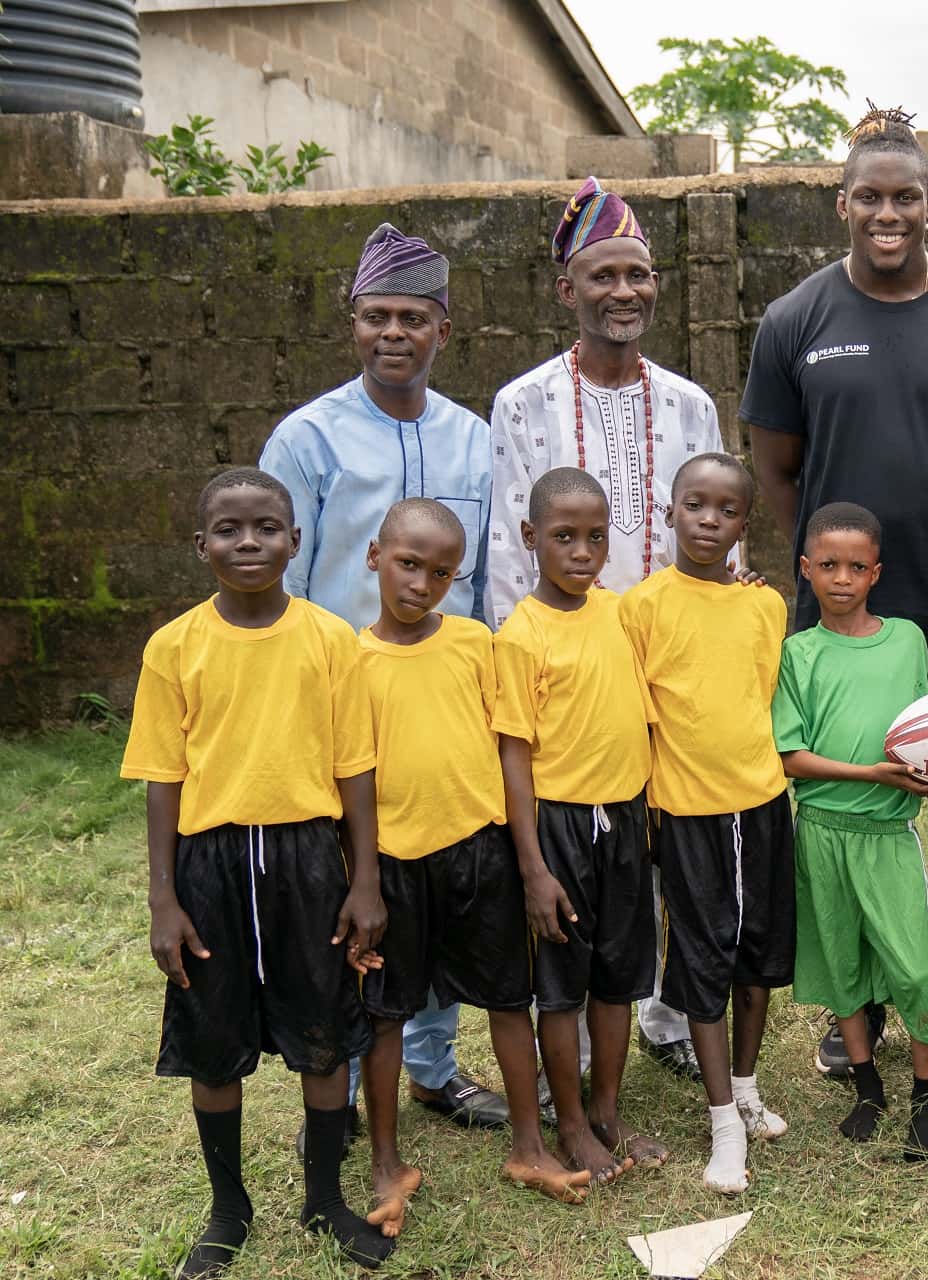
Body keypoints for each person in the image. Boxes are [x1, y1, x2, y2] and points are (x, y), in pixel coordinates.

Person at [744, 105, 928, 1076]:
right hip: (846, 622)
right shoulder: (795, 321)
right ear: (841, 204)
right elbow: (777, 470)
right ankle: (856, 1008)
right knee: (850, 821)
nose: (887, 212)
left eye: (904, 196)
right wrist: (836, 584)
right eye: (868, 195)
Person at [258, 223, 507, 1141]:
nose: (392, 334)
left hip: (443, 705)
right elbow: (275, 587)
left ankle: (434, 1070)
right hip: (343, 705)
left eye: (412, 317)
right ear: (352, 324)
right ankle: (349, 1083)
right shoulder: (309, 438)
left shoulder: (477, 439)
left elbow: (486, 577)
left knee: (436, 882)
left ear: (444, 328)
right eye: (375, 317)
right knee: (351, 894)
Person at [122, 467, 392, 1276]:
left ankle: (324, 1197)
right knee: (214, 1037)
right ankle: (229, 1206)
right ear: (200, 544)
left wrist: (366, 878)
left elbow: (356, 769)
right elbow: (163, 779)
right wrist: (163, 899)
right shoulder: (174, 647)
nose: (249, 542)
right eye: (230, 529)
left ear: (295, 540)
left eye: (266, 528)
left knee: (322, 1030)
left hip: (309, 859)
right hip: (210, 864)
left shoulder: (329, 639)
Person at [489, 176, 725, 1078]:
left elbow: (704, 533)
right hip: (567, 670)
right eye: (603, 277)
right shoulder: (523, 404)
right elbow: (512, 559)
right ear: (567, 291)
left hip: (667, 662)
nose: (624, 292)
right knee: (578, 849)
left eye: (638, 274)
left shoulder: (691, 404)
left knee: (664, 843)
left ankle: (662, 1016)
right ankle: (578, 1036)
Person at [355, 498, 591, 1234]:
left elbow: (508, 748)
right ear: (374, 557)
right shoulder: (347, 660)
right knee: (385, 1015)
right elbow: (345, 776)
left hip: (478, 850)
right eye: (407, 564)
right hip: (394, 861)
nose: (422, 583)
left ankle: (528, 1144)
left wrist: (526, 864)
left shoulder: (472, 644)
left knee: (506, 1001)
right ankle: (386, 1160)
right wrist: (358, 877)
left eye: (441, 572)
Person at [622, 452, 794, 1195]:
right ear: (670, 512)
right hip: (686, 813)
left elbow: (759, 698)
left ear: (743, 525)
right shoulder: (642, 607)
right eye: (696, 506)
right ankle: (722, 1119)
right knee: (703, 960)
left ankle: (748, 1086)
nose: (709, 521)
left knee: (758, 955)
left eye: (726, 510)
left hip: (760, 805)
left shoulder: (765, 605)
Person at [493, 467, 663, 1191]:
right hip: (558, 828)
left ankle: (607, 1109)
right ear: (531, 538)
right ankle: (567, 1123)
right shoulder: (520, 634)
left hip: (624, 820)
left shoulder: (622, 614)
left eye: (596, 537)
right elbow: (513, 753)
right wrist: (533, 867)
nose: (582, 552)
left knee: (617, 977)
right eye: (564, 537)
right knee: (560, 984)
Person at [772, 501, 928, 1160]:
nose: (841, 578)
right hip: (821, 831)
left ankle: (925, 1102)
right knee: (843, 969)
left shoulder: (906, 638)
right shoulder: (798, 653)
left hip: (889, 837)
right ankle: (868, 1088)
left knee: (910, 969)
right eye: (828, 565)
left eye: (856, 566)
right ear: (806, 570)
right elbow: (791, 758)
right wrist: (872, 772)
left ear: (876, 572)